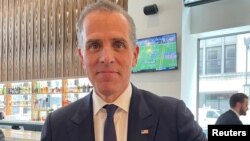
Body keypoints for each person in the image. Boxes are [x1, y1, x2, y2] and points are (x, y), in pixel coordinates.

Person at [41, 0, 207, 141]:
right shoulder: (57, 125)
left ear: (134, 55)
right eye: (95, 45)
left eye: (118, 45)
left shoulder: (173, 116)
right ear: (82, 57)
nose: (106, 58)